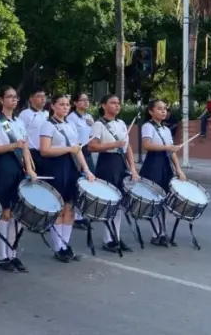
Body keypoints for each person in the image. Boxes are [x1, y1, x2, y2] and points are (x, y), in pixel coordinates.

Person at [38, 93, 95, 263]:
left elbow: (77, 150)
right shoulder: (48, 125)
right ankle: (58, 247)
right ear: (53, 106)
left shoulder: (70, 125)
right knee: (59, 207)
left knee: (70, 207)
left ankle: (66, 245)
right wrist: (68, 149)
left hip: (71, 167)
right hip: (55, 166)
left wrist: (86, 170)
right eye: (61, 104)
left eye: (67, 104)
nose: (64, 107)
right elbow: (44, 150)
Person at [0, 85, 36, 272]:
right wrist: (12, 144)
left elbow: (25, 149)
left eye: (15, 97)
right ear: (1, 100)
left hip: (18, 167)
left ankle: (12, 253)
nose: (13, 100)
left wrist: (30, 168)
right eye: (9, 97)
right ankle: (2, 256)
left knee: (16, 213)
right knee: (4, 212)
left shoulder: (19, 122)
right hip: (2, 165)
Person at [88, 94, 139, 253]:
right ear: (103, 105)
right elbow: (92, 146)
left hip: (120, 162)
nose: (117, 105)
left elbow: (128, 147)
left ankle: (115, 236)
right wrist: (114, 144)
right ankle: (108, 239)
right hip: (107, 163)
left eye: (118, 103)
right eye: (113, 103)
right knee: (110, 201)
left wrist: (133, 168)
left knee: (120, 204)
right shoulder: (98, 124)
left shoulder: (122, 123)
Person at [139, 99, 187, 247]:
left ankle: (162, 232)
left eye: (165, 109)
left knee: (165, 199)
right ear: (151, 111)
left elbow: (171, 152)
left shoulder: (166, 129)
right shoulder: (148, 126)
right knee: (155, 200)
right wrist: (168, 147)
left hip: (165, 164)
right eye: (159, 109)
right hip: (153, 164)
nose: (163, 111)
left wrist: (178, 170)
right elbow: (147, 145)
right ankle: (156, 234)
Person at [66, 92, 94, 229]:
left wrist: (93, 125)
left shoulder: (89, 117)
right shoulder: (71, 118)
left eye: (87, 100)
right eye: (82, 100)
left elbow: (93, 134)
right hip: (77, 152)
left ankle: (82, 213)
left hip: (87, 152)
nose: (86, 102)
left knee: (88, 182)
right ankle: (76, 216)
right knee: (78, 182)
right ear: (76, 103)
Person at [19, 87, 48, 171]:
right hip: (32, 153)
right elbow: (21, 136)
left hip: (47, 153)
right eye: (39, 96)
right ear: (31, 99)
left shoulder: (48, 114)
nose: (43, 99)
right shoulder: (25, 114)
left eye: (44, 96)